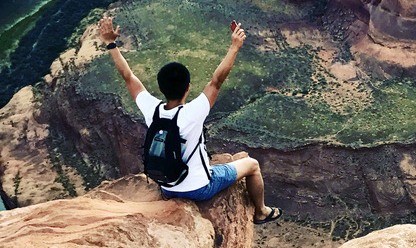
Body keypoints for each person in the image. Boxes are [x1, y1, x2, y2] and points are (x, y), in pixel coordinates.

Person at [97, 14, 281, 224]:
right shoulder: (194, 112)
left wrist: (110, 43)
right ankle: (261, 212)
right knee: (252, 165)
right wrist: (235, 47)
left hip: (167, 186)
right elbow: (217, 80)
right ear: (188, 88)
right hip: (200, 188)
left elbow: (128, 76)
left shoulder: (152, 110)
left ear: (159, 89)